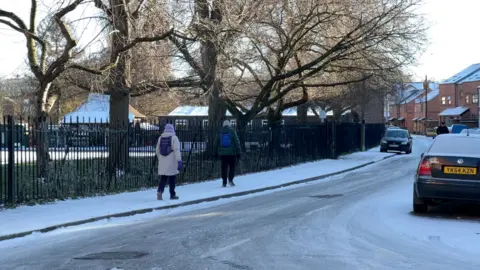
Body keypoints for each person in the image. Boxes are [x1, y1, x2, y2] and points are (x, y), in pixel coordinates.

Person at [155, 123, 182, 200]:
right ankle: (172, 194)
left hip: (163, 161)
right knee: (172, 178)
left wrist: (160, 158)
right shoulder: (174, 138)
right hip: (172, 161)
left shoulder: (160, 138)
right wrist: (179, 161)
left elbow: (157, 150)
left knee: (163, 177)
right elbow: (177, 150)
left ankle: (159, 192)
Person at [214, 120, 242, 187]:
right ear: (229, 125)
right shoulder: (232, 131)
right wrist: (239, 152)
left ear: (223, 125)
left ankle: (224, 182)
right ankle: (230, 180)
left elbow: (216, 143)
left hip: (223, 154)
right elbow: (237, 142)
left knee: (224, 168)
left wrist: (215, 152)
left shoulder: (220, 132)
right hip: (232, 153)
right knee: (232, 167)